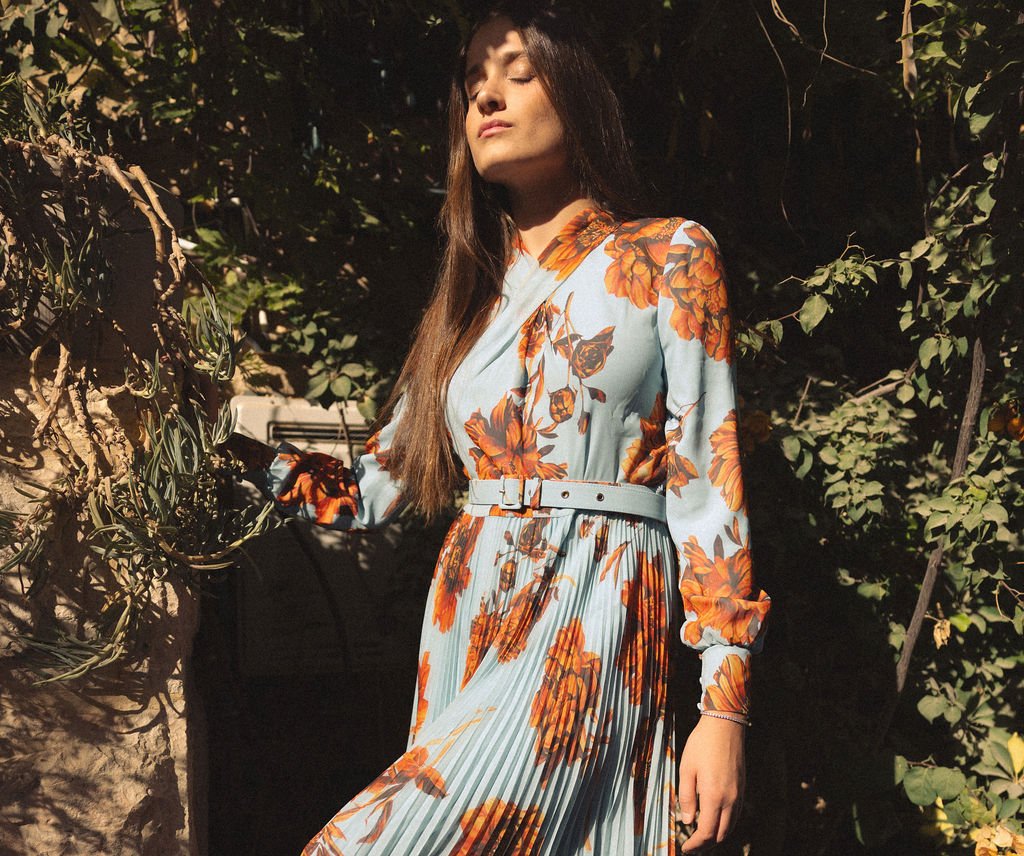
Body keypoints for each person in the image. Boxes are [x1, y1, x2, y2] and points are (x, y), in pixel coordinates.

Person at [223, 2, 772, 853]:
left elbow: (709, 483)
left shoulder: (670, 256)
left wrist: (723, 707)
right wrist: (219, 449)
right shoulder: (466, 305)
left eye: (517, 73)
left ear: (579, 93)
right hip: (471, 608)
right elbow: (367, 493)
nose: (487, 96)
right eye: (473, 82)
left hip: (597, 604)